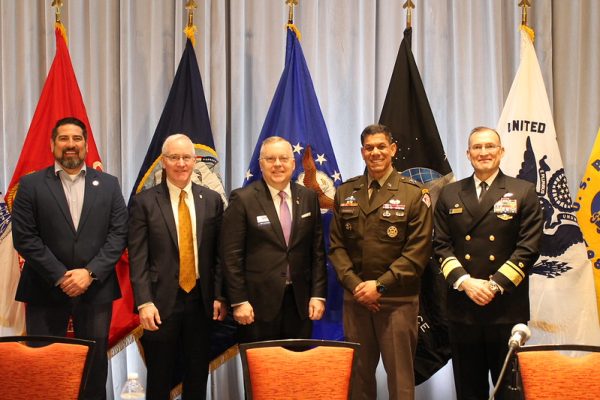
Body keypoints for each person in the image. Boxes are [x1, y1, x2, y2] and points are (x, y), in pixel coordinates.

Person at [12, 116, 128, 400]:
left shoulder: (109, 185)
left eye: (77, 139)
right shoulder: (30, 185)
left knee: (93, 369)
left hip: (95, 290)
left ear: (86, 145)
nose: (71, 144)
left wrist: (89, 273)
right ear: (52, 144)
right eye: (63, 138)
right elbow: (25, 238)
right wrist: (61, 276)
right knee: (45, 368)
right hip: (44, 289)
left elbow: (119, 234)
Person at [433, 126, 543, 400]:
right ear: (468, 153)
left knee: (508, 391)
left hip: (506, 308)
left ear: (501, 151)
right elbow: (440, 245)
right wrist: (466, 282)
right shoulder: (450, 193)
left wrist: (493, 286)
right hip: (463, 308)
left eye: (490, 146)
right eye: (477, 147)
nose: (484, 152)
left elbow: (528, 248)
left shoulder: (523, 191)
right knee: (468, 391)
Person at [329, 124, 433, 399]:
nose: (375, 152)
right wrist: (356, 286)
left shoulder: (414, 193)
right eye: (369, 148)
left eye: (381, 147)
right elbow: (337, 247)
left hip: (397, 301)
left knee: (400, 380)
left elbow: (418, 251)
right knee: (358, 380)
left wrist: (380, 286)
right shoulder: (346, 192)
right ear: (362, 152)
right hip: (356, 300)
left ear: (393, 149)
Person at [128, 134, 227, 400]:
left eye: (186, 157)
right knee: (159, 376)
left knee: (197, 374)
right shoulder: (144, 202)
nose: (181, 163)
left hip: (201, 301)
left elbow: (219, 254)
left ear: (195, 161)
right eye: (174, 157)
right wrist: (144, 302)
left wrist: (219, 295)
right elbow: (138, 257)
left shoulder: (212, 200)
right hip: (159, 304)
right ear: (163, 161)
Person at [221, 136, 327, 342]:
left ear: (293, 164)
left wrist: (318, 295)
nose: (277, 164)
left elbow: (317, 252)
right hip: (256, 306)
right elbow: (231, 256)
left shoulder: (308, 197)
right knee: (261, 363)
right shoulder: (243, 199)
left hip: (300, 304)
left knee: (296, 361)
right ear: (261, 165)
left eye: (283, 158)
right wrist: (239, 301)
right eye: (270, 159)